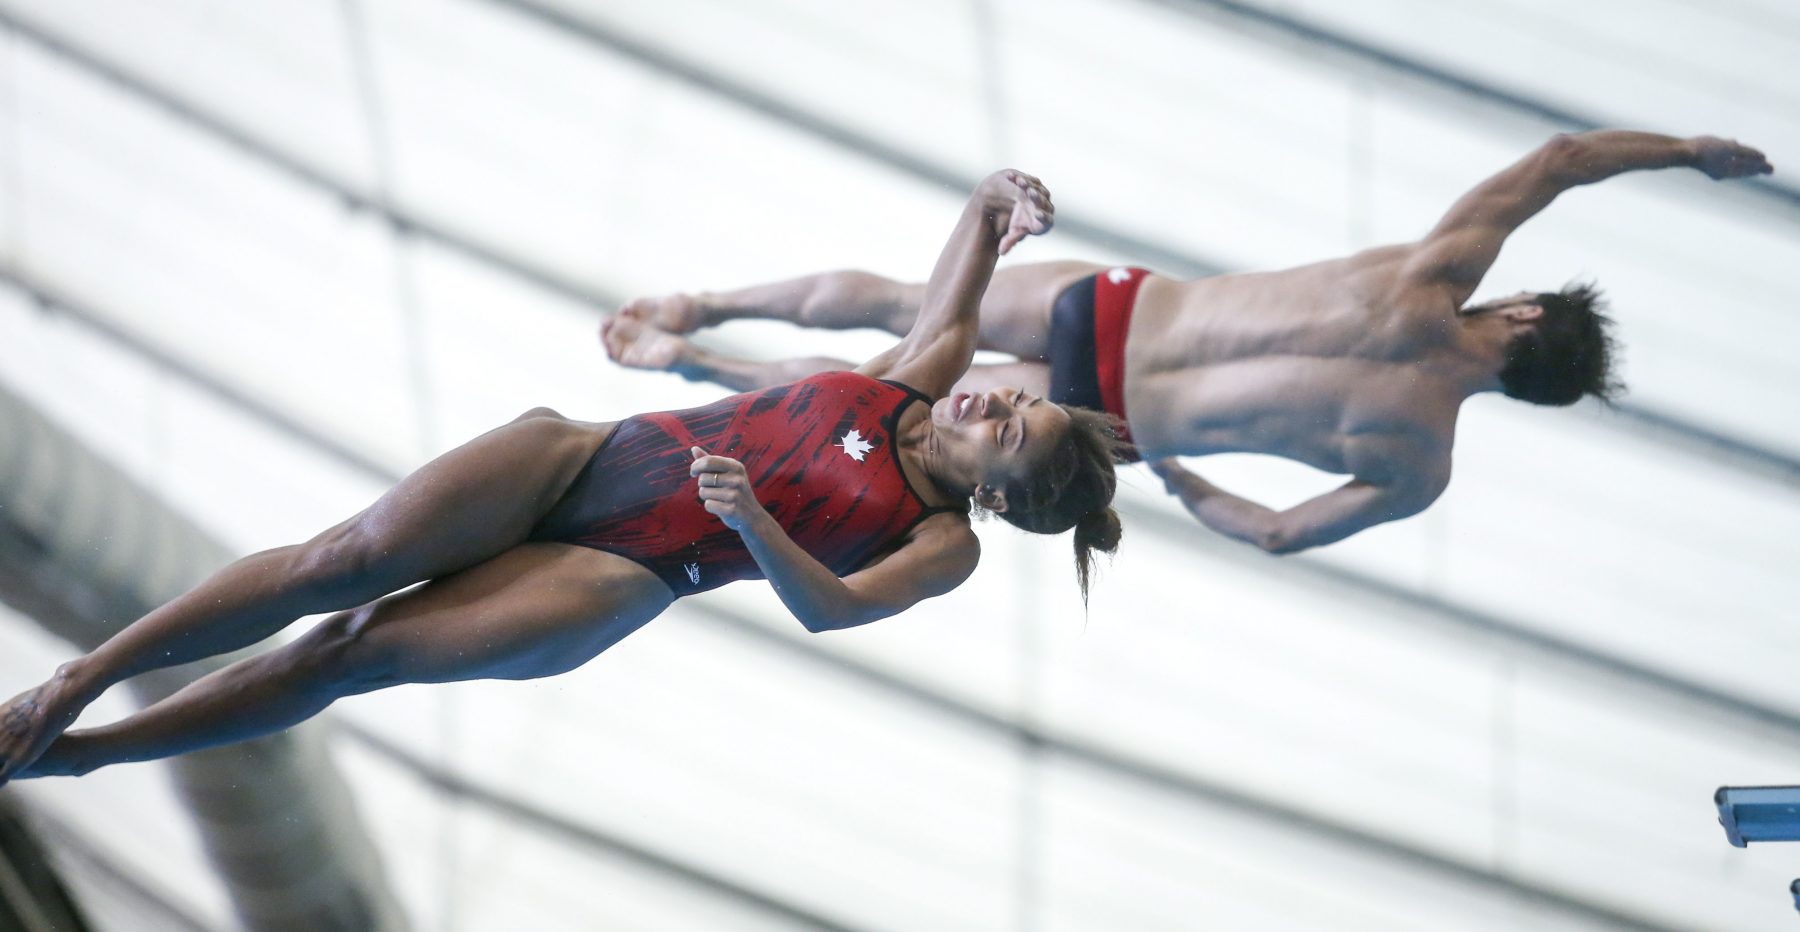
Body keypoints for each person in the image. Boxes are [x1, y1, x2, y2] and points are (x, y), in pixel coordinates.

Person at [0, 170, 1125, 783]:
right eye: (1017, 398)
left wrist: (757, 525)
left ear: (997, 495)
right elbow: (970, 247)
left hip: (624, 570)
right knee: (338, 560)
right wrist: (1002, 201)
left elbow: (833, 613)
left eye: (1010, 433)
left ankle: (73, 759)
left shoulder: (944, 544)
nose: (995, 402)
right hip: (589, 453)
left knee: (347, 652)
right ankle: (77, 681)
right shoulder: (918, 377)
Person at [603, 130, 1772, 554]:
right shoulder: (1419, 463)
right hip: (1117, 416)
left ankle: (703, 308)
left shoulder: (1434, 280)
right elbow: (1273, 533)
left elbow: (1557, 161)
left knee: (908, 314)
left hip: (1114, 310)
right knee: (879, 394)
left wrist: (1691, 154)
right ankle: (707, 368)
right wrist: (1170, 466)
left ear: (1524, 317)